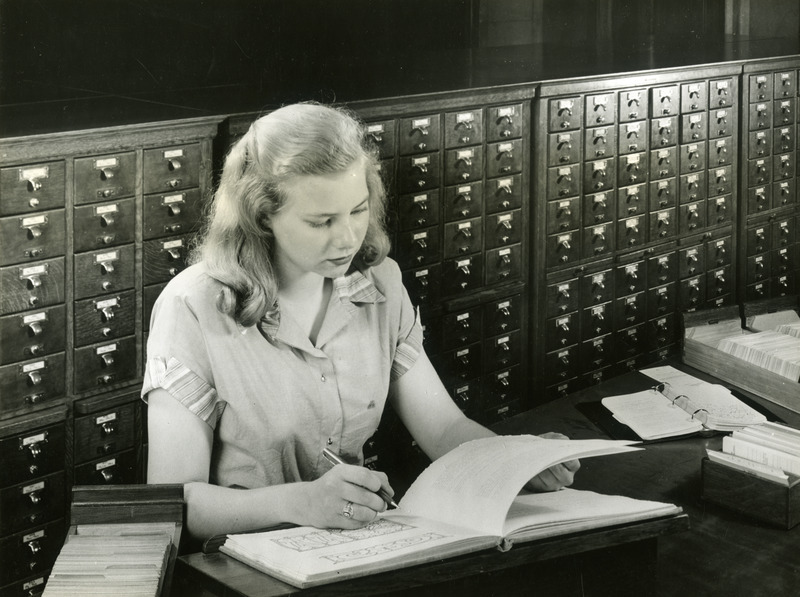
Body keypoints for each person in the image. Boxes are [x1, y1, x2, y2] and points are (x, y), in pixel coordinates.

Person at [143, 102, 579, 542]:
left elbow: (444, 428)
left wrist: (514, 462)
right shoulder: (193, 306)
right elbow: (174, 502)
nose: (349, 237)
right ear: (262, 217)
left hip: (347, 545)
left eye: (357, 210)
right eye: (322, 221)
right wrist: (302, 502)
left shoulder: (379, 284)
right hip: (239, 559)